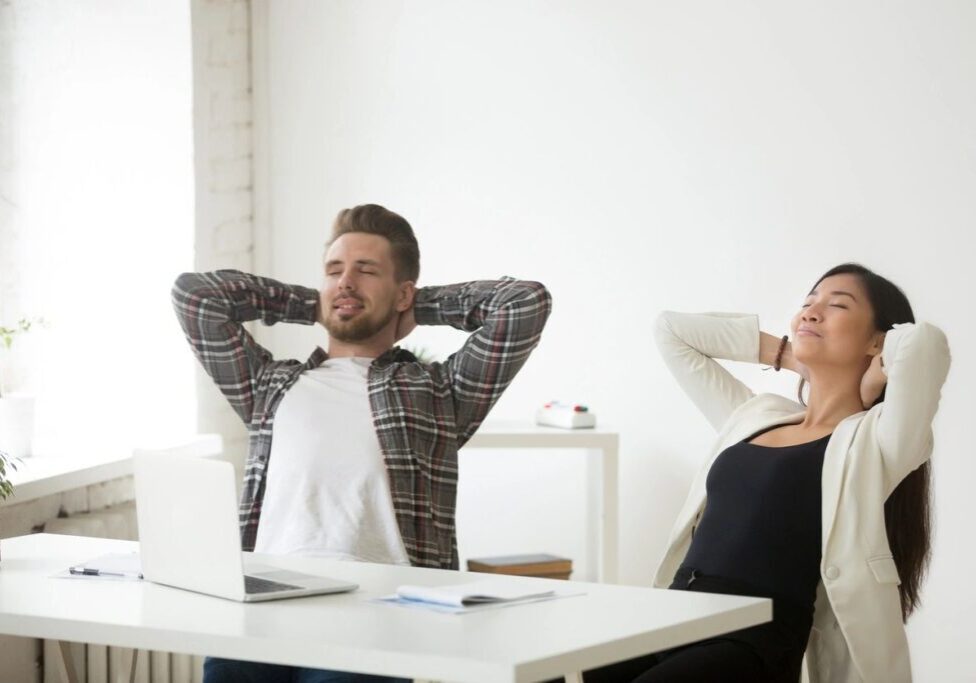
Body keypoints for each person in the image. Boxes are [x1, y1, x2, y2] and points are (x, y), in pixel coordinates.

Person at [171, 204, 551, 683]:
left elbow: (523, 303)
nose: (345, 281)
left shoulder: (438, 393)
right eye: (334, 271)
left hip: (375, 616)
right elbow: (195, 296)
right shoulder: (269, 385)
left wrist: (411, 304)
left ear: (402, 292)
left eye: (366, 270)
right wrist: (317, 301)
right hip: (259, 606)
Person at [585, 263, 950, 683]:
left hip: (750, 643)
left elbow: (925, 344)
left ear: (877, 341)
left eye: (837, 306)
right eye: (808, 304)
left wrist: (866, 385)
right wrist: (793, 357)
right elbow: (671, 331)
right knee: (549, 670)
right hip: (673, 619)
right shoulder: (755, 416)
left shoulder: (876, 443)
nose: (812, 313)